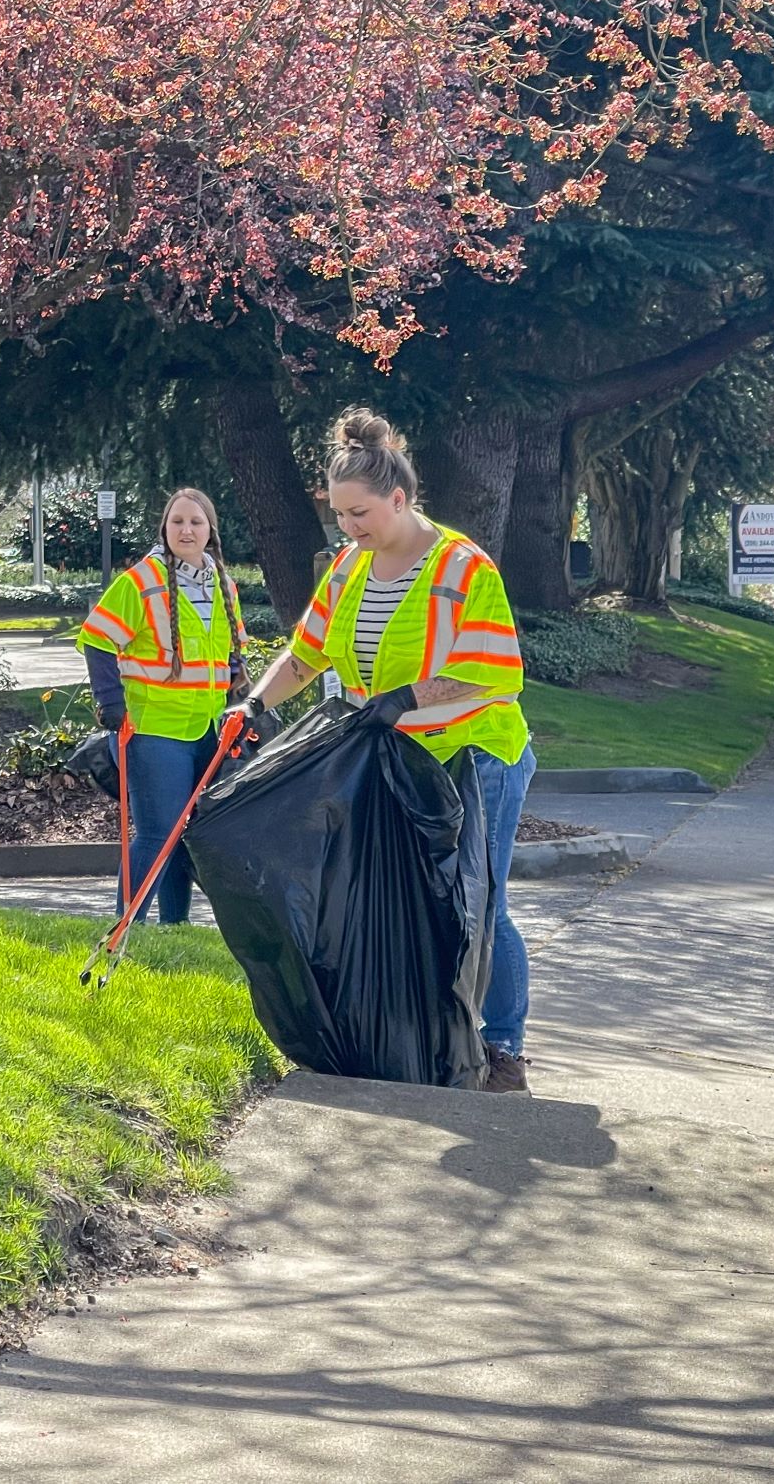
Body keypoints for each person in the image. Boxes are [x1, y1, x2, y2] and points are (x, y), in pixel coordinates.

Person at [244, 409, 535, 1092]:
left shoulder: (463, 567)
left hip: (476, 753)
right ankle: (428, 1039)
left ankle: (503, 1049)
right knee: (413, 899)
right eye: (340, 515)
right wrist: (255, 702)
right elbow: (306, 652)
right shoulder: (350, 567)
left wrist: (407, 698)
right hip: (401, 760)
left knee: (479, 901)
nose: (348, 528)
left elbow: (493, 670)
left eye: (360, 513)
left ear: (399, 499)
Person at [78, 488, 250, 926]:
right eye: (177, 522)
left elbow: (229, 651)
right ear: (165, 528)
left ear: (211, 529)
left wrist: (240, 688)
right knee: (158, 834)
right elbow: (97, 638)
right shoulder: (141, 580)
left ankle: (175, 927)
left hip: (208, 730)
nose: (186, 530)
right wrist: (110, 702)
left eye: (196, 522)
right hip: (153, 730)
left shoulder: (223, 584)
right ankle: (126, 930)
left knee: (185, 835)